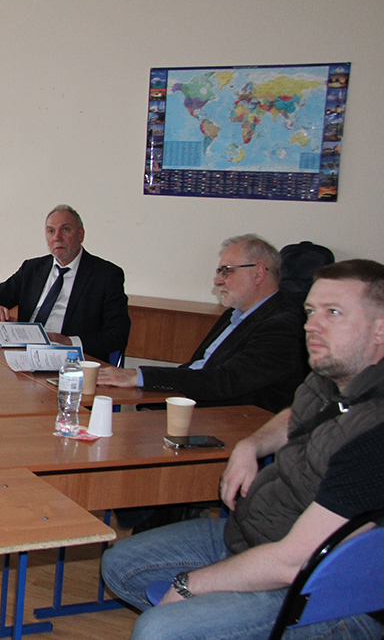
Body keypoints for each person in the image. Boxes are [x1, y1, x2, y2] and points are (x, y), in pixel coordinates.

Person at [101, 259, 384, 640]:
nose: (311, 326)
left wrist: (192, 585)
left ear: (380, 329)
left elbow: (293, 562)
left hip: (326, 592)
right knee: (120, 565)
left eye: (333, 313)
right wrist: (250, 445)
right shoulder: (331, 377)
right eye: (311, 311)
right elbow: (294, 415)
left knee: (160, 630)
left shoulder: (375, 434)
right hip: (255, 533)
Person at [98, 234, 308, 412]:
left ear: (258, 273)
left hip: (227, 421)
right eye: (219, 272)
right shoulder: (233, 315)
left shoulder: (282, 325)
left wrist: (139, 376)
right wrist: (141, 380)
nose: (218, 281)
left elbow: (225, 380)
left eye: (227, 270)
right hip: (189, 408)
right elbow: (197, 368)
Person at [0, 204, 130, 361]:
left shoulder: (106, 275)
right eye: (51, 231)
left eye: (65, 229)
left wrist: (69, 341)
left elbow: (118, 335)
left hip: (70, 359)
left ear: (80, 235)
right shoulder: (32, 268)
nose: (57, 237)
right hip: (25, 354)